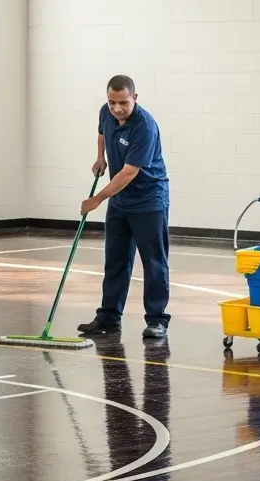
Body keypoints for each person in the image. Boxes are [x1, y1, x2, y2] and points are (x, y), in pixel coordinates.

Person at [76, 75, 171, 340]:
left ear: (135, 98)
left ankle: (157, 320)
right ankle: (108, 317)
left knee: (154, 262)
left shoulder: (145, 126)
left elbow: (129, 173)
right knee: (115, 260)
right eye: (112, 102)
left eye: (123, 103)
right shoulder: (105, 113)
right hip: (120, 201)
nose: (117, 108)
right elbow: (102, 133)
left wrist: (97, 199)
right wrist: (100, 158)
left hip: (149, 201)